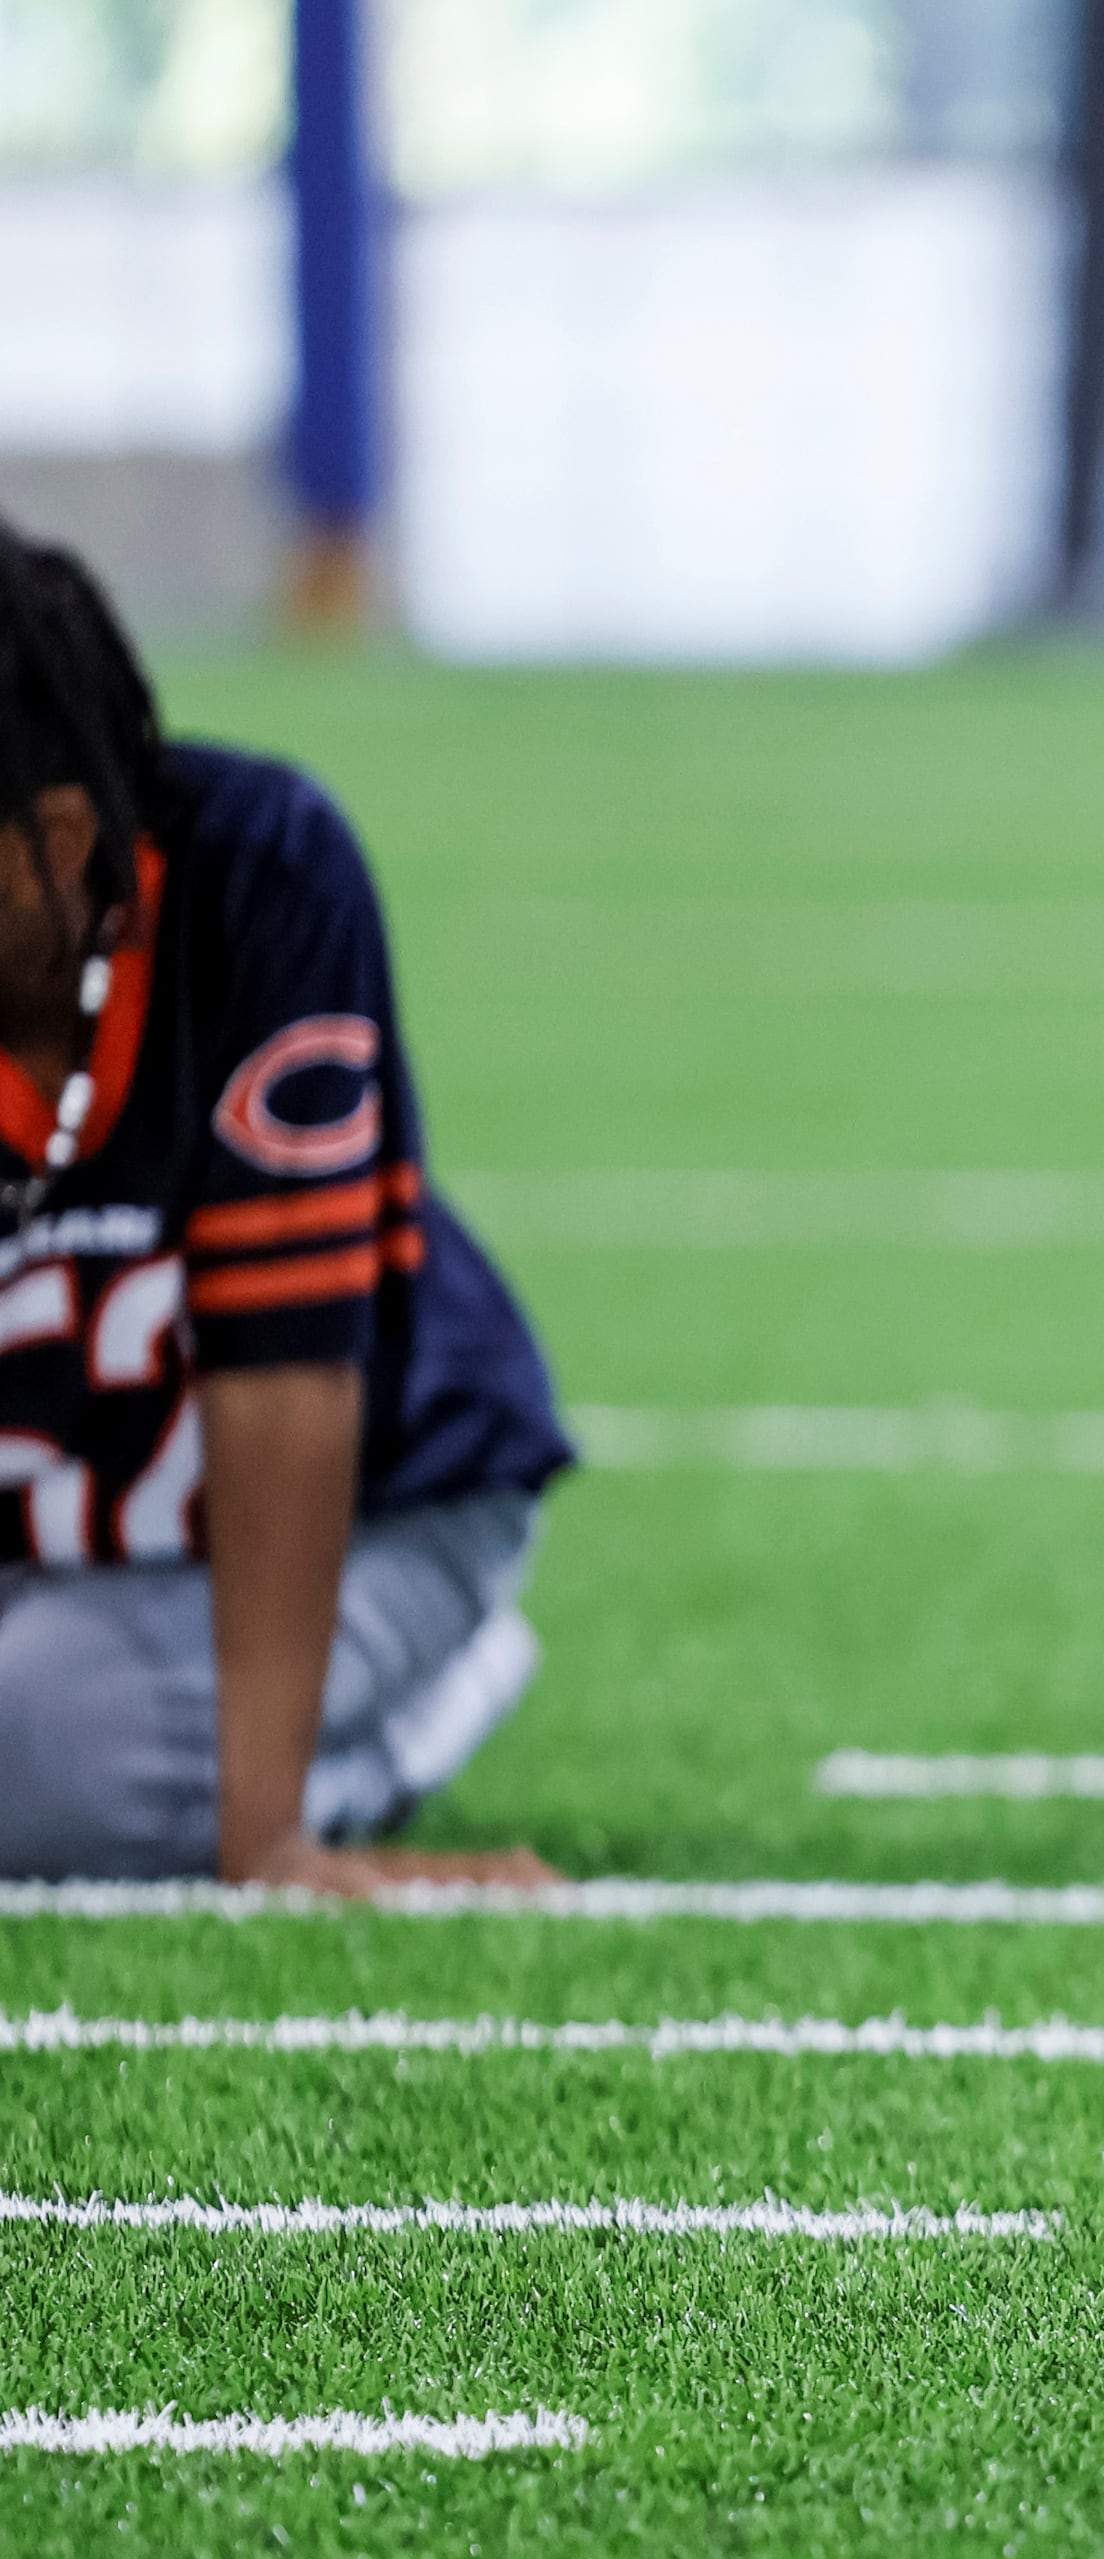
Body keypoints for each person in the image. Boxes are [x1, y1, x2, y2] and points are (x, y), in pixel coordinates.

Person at [0, 522, 568, 1888]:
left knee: (34, 1757)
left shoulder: (256, 879)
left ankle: (396, 1717)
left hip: (373, 1509)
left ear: (60, 841)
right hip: (63, 1544)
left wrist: (266, 1834)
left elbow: (285, 1370)